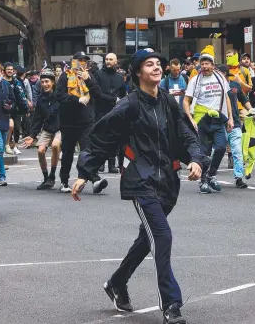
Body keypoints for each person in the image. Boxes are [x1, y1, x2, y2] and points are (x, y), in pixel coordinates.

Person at [72, 50, 204, 324]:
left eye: (159, 64)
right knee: (162, 236)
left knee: (148, 239)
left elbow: (187, 132)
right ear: (137, 72)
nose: (157, 67)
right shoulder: (129, 105)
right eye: (149, 64)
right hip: (140, 182)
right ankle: (171, 305)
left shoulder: (168, 102)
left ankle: (117, 283)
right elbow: (102, 137)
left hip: (168, 181)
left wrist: (196, 159)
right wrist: (86, 172)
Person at [183, 45, 234, 194]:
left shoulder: (220, 78)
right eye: (202, 64)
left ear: (212, 65)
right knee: (203, 152)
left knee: (221, 147)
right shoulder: (195, 80)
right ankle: (203, 180)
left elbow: (227, 98)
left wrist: (230, 118)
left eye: (207, 64)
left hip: (218, 118)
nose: (204, 66)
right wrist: (191, 119)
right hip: (201, 119)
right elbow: (186, 101)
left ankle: (211, 175)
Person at [56, 51, 107, 194]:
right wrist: (76, 99)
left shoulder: (88, 75)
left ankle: (93, 179)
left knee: (87, 152)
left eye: (84, 61)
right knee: (67, 153)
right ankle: (64, 181)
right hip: (68, 122)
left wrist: (88, 80)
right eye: (79, 60)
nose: (82, 63)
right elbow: (59, 95)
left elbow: (98, 93)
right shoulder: (65, 76)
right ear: (73, 61)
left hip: (86, 121)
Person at [21, 69, 61, 190]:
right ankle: (46, 178)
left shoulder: (60, 96)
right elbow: (37, 119)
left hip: (60, 128)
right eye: (42, 82)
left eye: (47, 81)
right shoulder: (41, 99)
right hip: (48, 128)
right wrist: (32, 135)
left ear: (53, 82)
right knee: (40, 150)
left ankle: (53, 175)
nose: (45, 84)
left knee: (55, 145)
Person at [216, 64, 251, 188]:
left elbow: (244, 99)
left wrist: (252, 111)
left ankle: (238, 178)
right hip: (217, 124)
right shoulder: (214, 87)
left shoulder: (235, 85)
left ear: (224, 73)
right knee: (216, 151)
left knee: (237, 151)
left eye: (218, 71)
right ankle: (209, 176)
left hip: (235, 123)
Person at [93, 53, 127, 174]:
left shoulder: (119, 78)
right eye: (106, 59)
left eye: (111, 59)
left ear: (116, 61)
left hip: (116, 111)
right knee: (101, 137)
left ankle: (112, 164)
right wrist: (114, 99)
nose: (108, 61)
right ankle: (100, 162)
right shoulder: (98, 75)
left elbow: (123, 96)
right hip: (101, 110)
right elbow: (97, 94)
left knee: (114, 137)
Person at [3, 62, 29, 155]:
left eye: (11, 69)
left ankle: (14, 145)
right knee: (10, 127)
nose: (10, 71)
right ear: (4, 70)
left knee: (17, 128)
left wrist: (26, 108)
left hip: (17, 109)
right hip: (5, 110)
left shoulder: (17, 81)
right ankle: (8, 145)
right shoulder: (1, 82)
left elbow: (22, 95)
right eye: (8, 69)